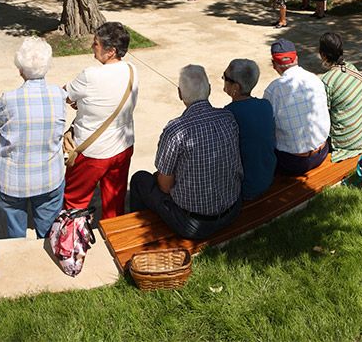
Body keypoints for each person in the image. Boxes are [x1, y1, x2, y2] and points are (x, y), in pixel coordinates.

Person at [127, 65, 242, 240]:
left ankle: (139, 235)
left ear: (180, 93)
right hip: (232, 212)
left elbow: (164, 186)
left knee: (140, 180)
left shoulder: (176, 130)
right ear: (209, 89)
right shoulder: (228, 118)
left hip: (193, 225)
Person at [0, 38, 65, 239]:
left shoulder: (8, 99)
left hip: (12, 180)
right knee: (49, 236)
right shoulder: (59, 95)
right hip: (49, 177)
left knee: (12, 237)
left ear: (20, 69)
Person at [63, 22, 139, 219]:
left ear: (111, 51)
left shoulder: (90, 75)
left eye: (96, 44)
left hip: (92, 153)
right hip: (123, 148)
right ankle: (113, 241)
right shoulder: (132, 70)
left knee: (74, 201)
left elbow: (66, 94)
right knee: (114, 204)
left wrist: (80, 103)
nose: (92, 47)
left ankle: (71, 243)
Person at [263, 39, 331, 175]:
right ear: (297, 58)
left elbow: (267, 127)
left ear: (274, 64)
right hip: (322, 153)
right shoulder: (315, 79)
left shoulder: (273, 90)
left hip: (292, 162)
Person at [316, 33, 362, 161]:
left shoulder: (327, 81)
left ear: (323, 55)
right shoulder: (351, 68)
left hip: (348, 143)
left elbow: (322, 116)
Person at [221, 59, 276, 201]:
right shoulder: (265, 105)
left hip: (245, 187)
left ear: (236, 87)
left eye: (225, 77)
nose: (223, 80)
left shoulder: (228, 114)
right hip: (266, 176)